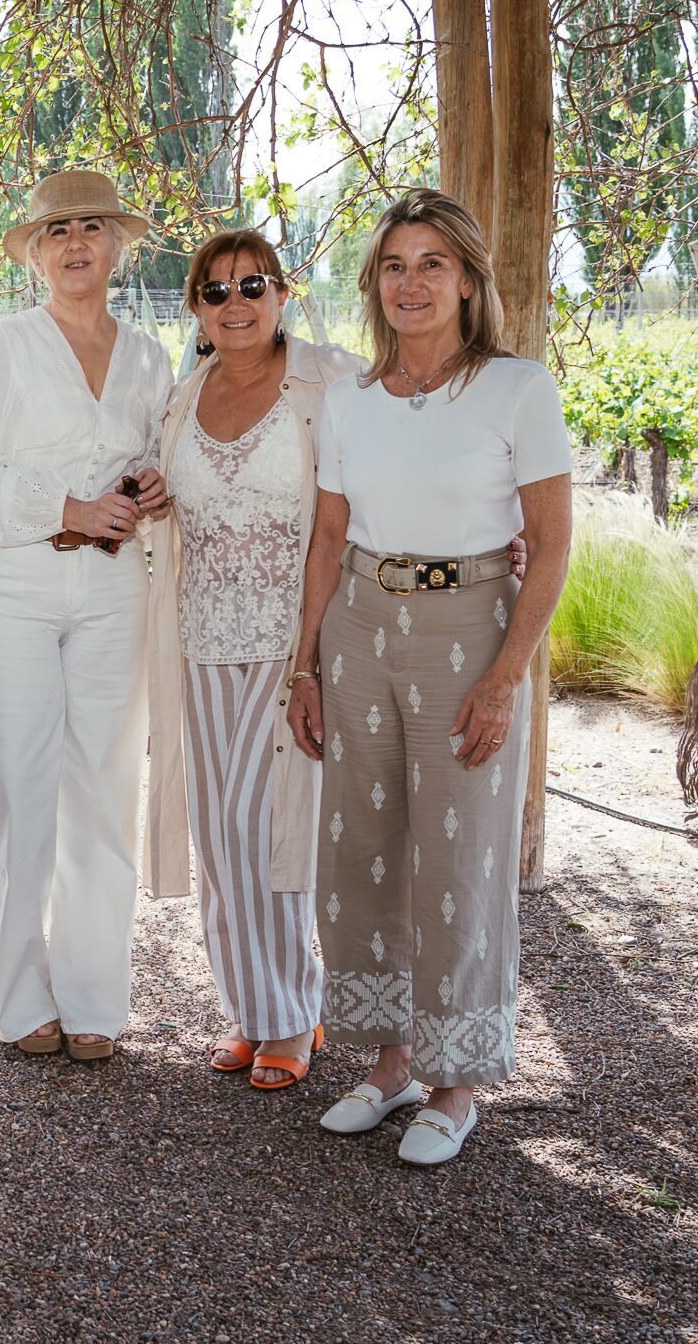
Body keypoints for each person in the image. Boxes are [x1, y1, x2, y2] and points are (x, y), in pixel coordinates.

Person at [289, 188, 572, 1164]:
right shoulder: (349, 400)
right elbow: (327, 536)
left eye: (430, 265)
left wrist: (502, 679)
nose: (410, 283)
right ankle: (389, 1063)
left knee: (458, 860)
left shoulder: (514, 389)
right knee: (362, 844)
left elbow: (549, 544)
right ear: (373, 285)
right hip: (358, 622)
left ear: (464, 282)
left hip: (468, 623)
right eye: (393, 266)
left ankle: (456, 1085)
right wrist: (304, 665)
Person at [0, 169, 173, 1062]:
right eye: (57, 232)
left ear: (119, 243)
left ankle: (94, 1002)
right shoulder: (3, 345)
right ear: (36, 254)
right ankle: (21, 1001)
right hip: (18, 583)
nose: (76, 243)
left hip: (118, 586)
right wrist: (74, 510)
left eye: (92, 227)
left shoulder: (151, 357)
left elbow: (153, 460)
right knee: (18, 789)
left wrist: (154, 484)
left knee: (106, 787)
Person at [144, 230, 364, 1090]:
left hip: (296, 641)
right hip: (200, 639)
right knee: (216, 832)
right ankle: (255, 1006)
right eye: (215, 290)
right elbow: (166, 498)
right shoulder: (180, 397)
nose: (235, 303)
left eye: (252, 286)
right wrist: (153, 497)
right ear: (196, 308)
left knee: (266, 829)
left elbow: (383, 470)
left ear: (282, 296)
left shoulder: (330, 380)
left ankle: (294, 1014)